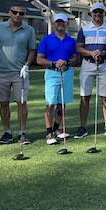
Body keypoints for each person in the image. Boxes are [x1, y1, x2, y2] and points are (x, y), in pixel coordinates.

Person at [0, 4, 37, 145]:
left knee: (21, 103)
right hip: (0, 72)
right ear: (9, 13)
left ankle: (23, 132)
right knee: (3, 103)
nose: (17, 15)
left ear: (24, 16)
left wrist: (26, 66)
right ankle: (7, 132)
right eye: (14, 12)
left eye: (21, 13)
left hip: (19, 73)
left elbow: (32, 50)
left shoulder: (29, 30)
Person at [74, 2, 106, 139]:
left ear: (104, 13)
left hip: (104, 65)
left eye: (100, 12)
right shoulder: (84, 29)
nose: (98, 14)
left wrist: (103, 52)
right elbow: (79, 47)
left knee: (105, 97)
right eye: (95, 12)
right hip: (88, 65)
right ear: (91, 13)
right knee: (85, 97)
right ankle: (83, 127)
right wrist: (91, 53)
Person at [36, 13, 78, 145]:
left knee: (62, 103)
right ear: (53, 24)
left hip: (67, 73)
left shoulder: (71, 40)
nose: (60, 24)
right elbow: (39, 59)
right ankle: (49, 133)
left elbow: (76, 58)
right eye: (58, 22)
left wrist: (66, 61)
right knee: (50, 103)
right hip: (52, 73)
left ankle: (56, 129)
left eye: (63, 22)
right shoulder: (46, 40)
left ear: (67, 24)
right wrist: (54, 63)